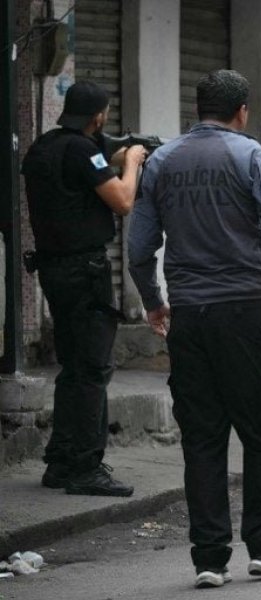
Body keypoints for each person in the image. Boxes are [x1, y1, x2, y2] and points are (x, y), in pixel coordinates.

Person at [127, 70, 261, 589]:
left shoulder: (161, 160)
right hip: (244, 313)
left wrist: (153, 302)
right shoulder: (250, 155)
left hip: (189, 316)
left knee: (203, 439)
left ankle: (209, 558)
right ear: (243, 111)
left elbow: (140, 245)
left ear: (198, 107)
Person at [20, 80, 146, 497]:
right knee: (93, 368)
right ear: (98, 117)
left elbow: (71, 185)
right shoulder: (82, 150)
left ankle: (61, 461)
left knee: (74, 367)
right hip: (83, 270)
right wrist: (133, 162)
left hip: (55, 269)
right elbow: (123, 200)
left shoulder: (44, 147)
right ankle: (84, 468)